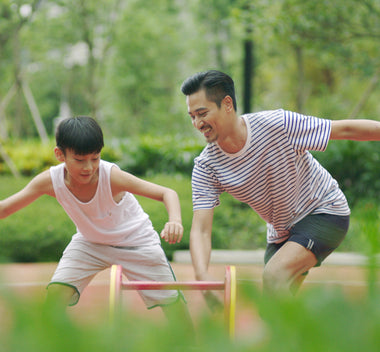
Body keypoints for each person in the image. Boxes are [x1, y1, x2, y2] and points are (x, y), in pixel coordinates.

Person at [180, 69, 380, 299]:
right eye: (192, 116)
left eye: (202, 113)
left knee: (274, 276)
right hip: (282, 232)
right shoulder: (207, 166)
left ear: (227, 104)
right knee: (276, 307)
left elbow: (345, 129)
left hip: (324, 211)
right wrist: (202, 275)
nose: (197, 123)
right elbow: (201, 230)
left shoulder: (278, 125)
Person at [0, 116, 192, 326]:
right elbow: (6, 208)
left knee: (175, 311)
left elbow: (167, 193)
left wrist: (175, 221)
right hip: (90, 243)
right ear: (60, 155)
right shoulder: (49, 182)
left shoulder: (112, 177)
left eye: (95, 158)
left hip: (137, 242)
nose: (89, 167)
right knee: (54, 297)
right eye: (80, 160)